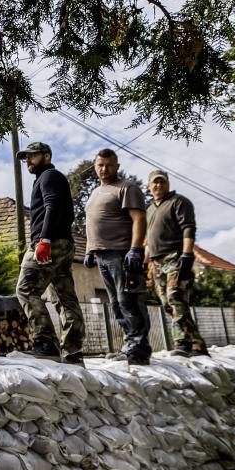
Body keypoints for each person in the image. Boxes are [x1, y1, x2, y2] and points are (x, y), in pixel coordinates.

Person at [13, 141, 86, 363]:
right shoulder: (50, 178)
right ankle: (73, 351)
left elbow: (52, 205)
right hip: (64, 243)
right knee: (63, 297)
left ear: (46, 156)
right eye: (26, 157)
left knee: (26, 289)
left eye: (32, 156)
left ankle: (46, 343)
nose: (28, 160)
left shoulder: (49, 177)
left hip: (50, 242)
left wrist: (44, 239)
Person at [81, 148, 151, 365]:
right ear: (95, 166)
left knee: (128, 301)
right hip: (102, 256)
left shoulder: (126, 187)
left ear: (117, 166)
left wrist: (136, 249)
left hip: (122, 254)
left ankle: (139, 349)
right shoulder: (95, 193)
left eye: (109, 165)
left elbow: (139, 218)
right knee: (116, 304)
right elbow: (92, 224)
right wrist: (89, 250)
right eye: (100, 165)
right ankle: (130, 345)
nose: (104, 169)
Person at [146, 170, 209, 357]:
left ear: (168, 183)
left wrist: (187, 255)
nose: (158, 185)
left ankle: (182, 342)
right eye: (155, 183)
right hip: (156, 262)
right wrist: (146, 262)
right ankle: (197, 343)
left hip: (175, 256)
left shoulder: (179, 202)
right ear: (149, 186)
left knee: (176, 297)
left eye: (162, 182)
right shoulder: (148, 209)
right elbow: (148, 239)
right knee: (166, 304)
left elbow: (188, 228)